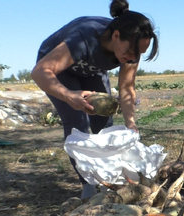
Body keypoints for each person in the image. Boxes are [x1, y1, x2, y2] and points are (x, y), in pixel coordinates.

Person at [31, 0, 158, 200]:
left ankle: (106, 179)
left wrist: (130, 122)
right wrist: (68, 95)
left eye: (139, 54)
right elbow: (40, 71)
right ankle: (88, 184)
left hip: (90, 70)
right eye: (132, 52)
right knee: (77, 123)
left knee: (104, 122)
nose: (133, 58)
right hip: (59, 71)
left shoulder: (130, 50)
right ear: (116, 36)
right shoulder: (84, 39)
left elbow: (126, 87)